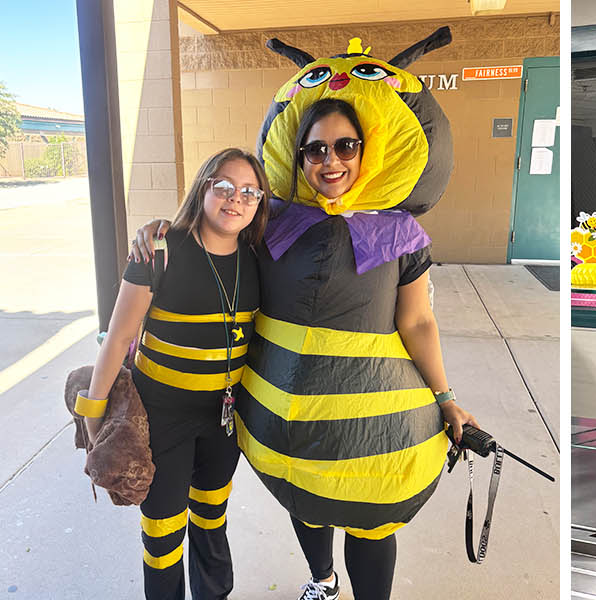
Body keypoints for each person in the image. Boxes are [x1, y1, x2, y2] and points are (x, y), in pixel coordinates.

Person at [134, 97, 480, 600]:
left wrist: (446, 399)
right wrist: (162, 230)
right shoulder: (271, 221)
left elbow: (418, 320)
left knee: (370, 521)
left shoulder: (399, 230)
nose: (330, 160)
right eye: (316, 150)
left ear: (365, 151)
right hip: (287, 425)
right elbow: (215, 232)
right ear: (299, 158)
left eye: (345, 146)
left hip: (369, 425)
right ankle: (324, 580)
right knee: (306, 502)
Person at [83, 148, 269, 600]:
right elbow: (117, 338)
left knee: (211, 519)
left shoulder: (259, 258)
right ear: (203, 187)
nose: (236, 198)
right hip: (161, 419)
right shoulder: (160, 251)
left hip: (223, 421)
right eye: (224, 186)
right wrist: (93, 416)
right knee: (163, 534)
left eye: (250, 191)